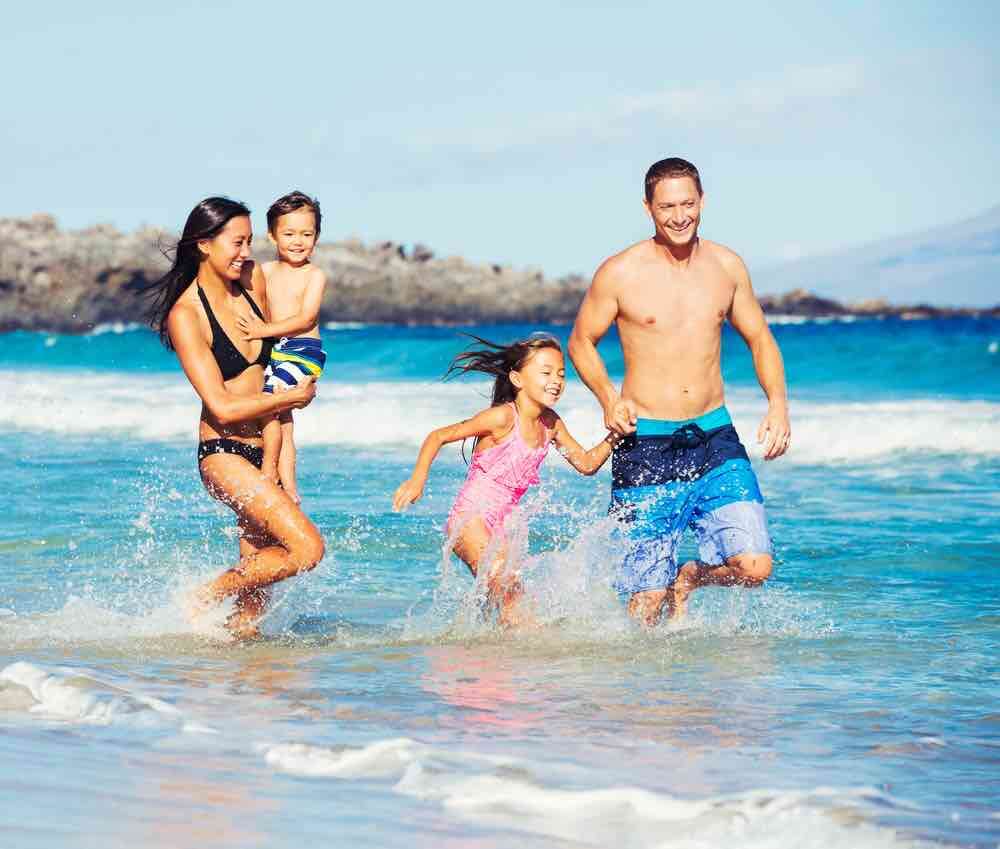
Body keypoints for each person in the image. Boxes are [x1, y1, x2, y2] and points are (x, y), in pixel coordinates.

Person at [568, 157, 790, 626]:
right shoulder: (620, 272)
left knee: (755, 567)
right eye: (667, 205)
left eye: (688, 203)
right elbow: (580, 342)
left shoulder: (727, 267)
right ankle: (652, 699)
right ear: (648, 207)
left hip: (714, 436)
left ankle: (690, 577)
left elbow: (760, 338)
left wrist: (778, 404)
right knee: (644, 608)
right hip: (643, 442)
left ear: (703, 201)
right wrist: (609, 397)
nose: (679, 215)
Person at [143, 196, 325, 638]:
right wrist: (290, 400)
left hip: (265, 447)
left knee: (252, 611)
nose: (246, 253)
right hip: (223, 453)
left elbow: (279, 359)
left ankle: (243, 685)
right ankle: (203, 595)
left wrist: (284, 455)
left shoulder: (251, 281)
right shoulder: (187, 315)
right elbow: (222, 405)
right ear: (204, 244)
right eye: (236, 243)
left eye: (248, 241)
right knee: (306, 549)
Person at [392, 335, 620, 628]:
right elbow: (438, 436)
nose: (556, 381)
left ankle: (487, 658)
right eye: (546, 372)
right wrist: (417, 481)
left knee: (507, 599)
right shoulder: (502, 418)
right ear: (517, 378)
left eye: (561, 374)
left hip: (504, 525)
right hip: (470, 519)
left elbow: (586, 464)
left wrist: (616, 435)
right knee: (507, 590)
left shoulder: (551, 424)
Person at [237, 190, 328, 504]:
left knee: (269, 405)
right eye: (289, 233)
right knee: (283, 422)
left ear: (316, 237)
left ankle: (268, 474)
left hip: (302, 351)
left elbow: (306, 318)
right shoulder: (262, 271)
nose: (298, 241)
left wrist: (265, 330)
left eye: (307, 233)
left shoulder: (314, 275)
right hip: (276, 349)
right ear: (272, 235)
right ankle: (289, 488)